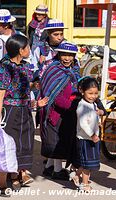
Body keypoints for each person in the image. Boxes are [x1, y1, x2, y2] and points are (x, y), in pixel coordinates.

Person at [0, 34, 35, 194]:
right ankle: (3, 182)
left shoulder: (25, 66)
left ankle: (18, 174)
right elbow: (0, 95)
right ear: (20, 50)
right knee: (8, 144)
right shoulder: (4, 68)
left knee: (24, 141)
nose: (30, 50)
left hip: (25, 110)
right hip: (9, 112)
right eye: (28, 47)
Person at [40, 42, 80, 180]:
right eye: (64, 55)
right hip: (55, 112)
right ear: (58, 55)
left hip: (67, 112)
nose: (67, 58)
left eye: (70, 55)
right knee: (56, 141)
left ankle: (48, 167)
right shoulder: (53, 70)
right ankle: (57, 171)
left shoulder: (74, 70)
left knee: (60, 139)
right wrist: (73, 106)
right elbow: (54, 96)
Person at [74, 77, 101, 192]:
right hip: (85, 139)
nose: (93, 96)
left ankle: (76, 175)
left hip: (92, 138)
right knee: (87, 165)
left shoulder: (93, 104)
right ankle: (84, 185)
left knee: (87, 161)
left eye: (95, 93)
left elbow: (93, 116)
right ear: (82, 91)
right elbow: (83, 123)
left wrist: (99, 115)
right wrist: (92, 135)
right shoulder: (82, 106)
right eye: (90, 93)